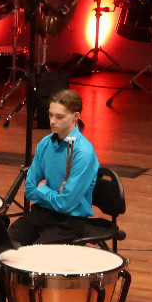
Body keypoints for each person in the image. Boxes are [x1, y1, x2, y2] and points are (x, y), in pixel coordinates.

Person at [10, 88, 99, 247]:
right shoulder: (45, 143)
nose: (52, 121)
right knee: (7, 242)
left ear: (76, 117)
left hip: (68, 222)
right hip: (41, 213)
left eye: (60, 117)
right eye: (51, 114)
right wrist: (52, 194)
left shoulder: (83, 152)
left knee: (35, 255)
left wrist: (43, 189)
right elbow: (29, 190)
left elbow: (66, 204)